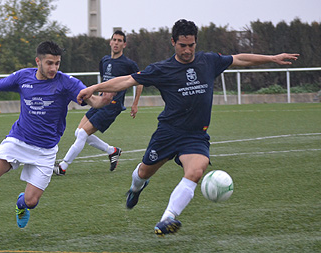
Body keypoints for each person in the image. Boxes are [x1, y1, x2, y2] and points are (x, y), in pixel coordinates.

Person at [77, 19, 299, 236]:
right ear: (173, 42)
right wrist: (95, 87)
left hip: (195, 135)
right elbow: (126, 81)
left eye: (191, 45)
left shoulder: (208, 61)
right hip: (168, 133)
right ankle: (136, 188)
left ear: (196, 43)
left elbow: (240, 59)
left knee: (195, 171)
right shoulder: (162, 69)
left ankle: (167, 218)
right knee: (143, 172)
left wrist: (272, 58)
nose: (187, 50)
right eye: (182, 45)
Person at [0, 41, 111, 232]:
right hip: (18, 139)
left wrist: (104, 99)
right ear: (38, 61)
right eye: (49, 63)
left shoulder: (66, 82)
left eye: (57, 63)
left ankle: (21, 205)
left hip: (45, 150)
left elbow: (93, 101)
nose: (54, 68)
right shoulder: (23, 77)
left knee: (31, 201)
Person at [54, 30, 142, 175]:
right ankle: (112, 151)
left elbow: (139, 82)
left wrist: (135, 103)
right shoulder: (105, 60)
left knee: (82, 134)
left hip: (112, 106)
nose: (116, 43)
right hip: (100, 102)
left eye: (120, 41)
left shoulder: (128, 64)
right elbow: (103, 82)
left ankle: (63, 166)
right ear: (110, 41)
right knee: (79, 132)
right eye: (114, 40)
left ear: (124, 44)